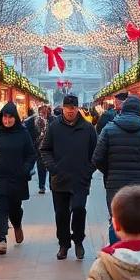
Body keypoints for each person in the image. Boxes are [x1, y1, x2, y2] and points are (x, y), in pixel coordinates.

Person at [93, 95, 140, 246]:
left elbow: (97, 158)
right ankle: (136, 254)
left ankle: (116, 254)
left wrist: (109, 172)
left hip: (115, 184)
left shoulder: (108, 130)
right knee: (139, 221)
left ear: (123, 109)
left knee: (116, 218)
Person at [40, 94, 98, 260]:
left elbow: (96, 153)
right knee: (61, 214)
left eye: (73, 108)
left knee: (79, 209)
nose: (70, 111)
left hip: (81, 178)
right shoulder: (54, 127)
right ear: (63, 108)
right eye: (67, 108)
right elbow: (45, 149)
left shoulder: (87, 128)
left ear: (77, 108)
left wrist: (88, 170)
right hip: (60, 179)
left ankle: (78, 240)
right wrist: (53, 168)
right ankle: (64, 244)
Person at [0, 102, 36, 255]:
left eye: (10, 117)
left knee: (15, 208)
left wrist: (25, 170)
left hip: (17, 177)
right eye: (5, 117)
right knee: (1, 207)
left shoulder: (23, 133)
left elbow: (31, 154)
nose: (7, 120)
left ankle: (17, 225)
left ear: (15, 118)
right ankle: (2, 239)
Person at [24, 105, 50, 194]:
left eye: (45, 111)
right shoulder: (33, 120)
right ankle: (42, 186)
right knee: (41, 166)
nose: (43, 113)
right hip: (37, 147)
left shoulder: (51, 120)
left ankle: (44, 185)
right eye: (42, 111)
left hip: (43, 147)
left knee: (44, 166)